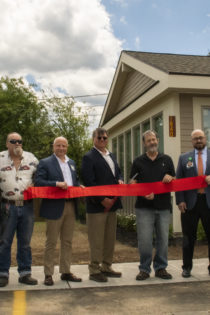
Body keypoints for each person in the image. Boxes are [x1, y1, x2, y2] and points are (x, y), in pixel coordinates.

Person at [35, 136, 82, 286]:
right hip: (54, 206)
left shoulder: (72, 163)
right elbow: (39, 183)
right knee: (51, 242)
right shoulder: (45, 163)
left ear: (67, 147)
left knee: (67, 241)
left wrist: (80, 186)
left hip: (70, 206)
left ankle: (66, 271)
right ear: (53, 147)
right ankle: (48, 274)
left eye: (64, 146)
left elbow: (75, 181)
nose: (61, 148)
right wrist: (56, 184)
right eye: (58, 145)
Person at [130, 130, 175, 281]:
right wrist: (141, 192)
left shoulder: (167, 160)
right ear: (144, 143)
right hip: (144, 208)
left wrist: (171, 177)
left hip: (163, 207)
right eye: (148, 140)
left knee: (163, 239)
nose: (152, 142)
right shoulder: (138, 162)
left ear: (158, 140)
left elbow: (174, 181)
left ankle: (161, 268)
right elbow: (133, 183)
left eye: (154, 139)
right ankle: (144, 269)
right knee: (145, 241)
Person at [81, 127, 123, 282]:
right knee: (96, 239)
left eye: (105, 138)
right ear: (94, 139)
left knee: (109, 238)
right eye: (99, 138)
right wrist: (101, 199)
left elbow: (117, 172)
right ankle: (94, 270)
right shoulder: (89, 157)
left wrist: (120, 179)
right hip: (97, 206)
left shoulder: (111, 155)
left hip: (113, 204)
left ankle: (106, 266)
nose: (103, 140)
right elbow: (89, 181)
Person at [0, 132, 38, 287]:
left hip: (27, 207)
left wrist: (36, 185)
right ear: (7, 143)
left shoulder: (32, 159)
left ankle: (25, 273)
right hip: (7, 206)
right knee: (4, 241)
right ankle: (2, 273)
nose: (17, 144)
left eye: (19, 141)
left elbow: (41, 176)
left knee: (25, 242)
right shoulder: (0, 158)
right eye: (13, 141)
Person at [176, 129, 210, 278]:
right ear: (192, 141)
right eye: (195, 138)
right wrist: (180, 200)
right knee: (188, 238)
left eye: (201, 138)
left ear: (205, 139)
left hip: (208, 202)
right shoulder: (184, 158)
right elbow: (178, 181)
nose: (198, 140)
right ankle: (186, 267)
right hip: (190, 203)